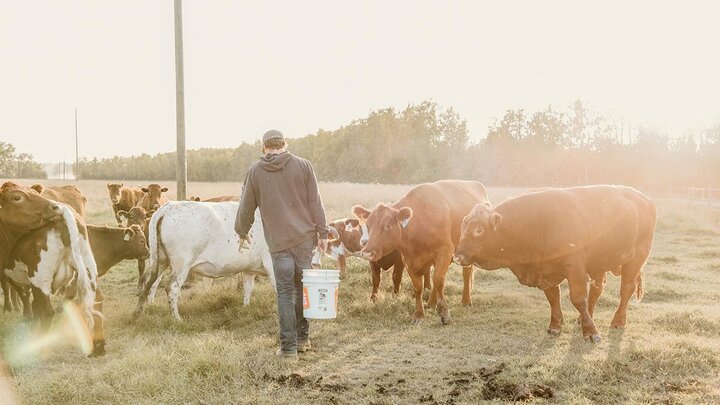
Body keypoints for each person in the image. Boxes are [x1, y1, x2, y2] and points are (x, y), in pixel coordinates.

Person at [235, 129, 329, 360]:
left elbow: (246, 206)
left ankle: (288, 349)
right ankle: (303, 339)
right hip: (305, 239)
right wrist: (323, 233)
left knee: (285, 293)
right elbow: (315, 201)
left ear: (264, 147)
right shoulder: (304, 165)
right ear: (284, 144)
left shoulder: (255, 171)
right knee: (301, 289)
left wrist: (241, 231)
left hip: (278, 244)